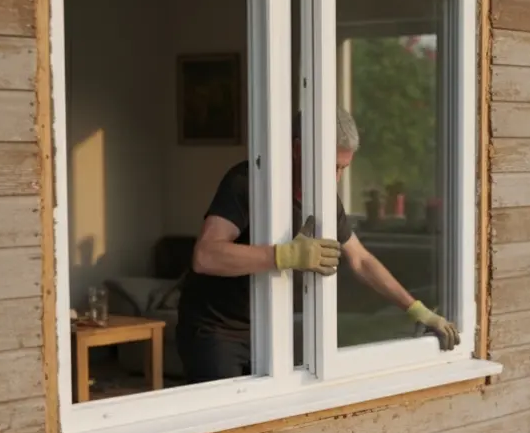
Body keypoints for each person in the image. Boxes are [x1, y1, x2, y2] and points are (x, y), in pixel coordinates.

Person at [176, 107, 460, 383]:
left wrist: (418, 311)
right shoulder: (249, 181)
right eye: (331, 166)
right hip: (216, 330)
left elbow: (361, 260)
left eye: (343, 168)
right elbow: (205, 256)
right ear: (298, 149)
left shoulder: (323, 199)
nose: (335, 179)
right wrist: (285, 256)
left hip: (270, 331)